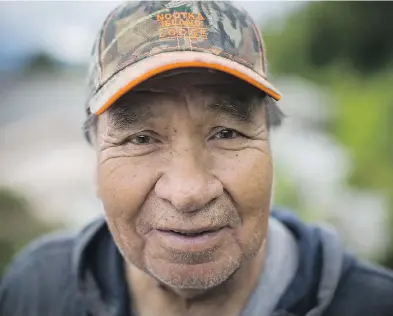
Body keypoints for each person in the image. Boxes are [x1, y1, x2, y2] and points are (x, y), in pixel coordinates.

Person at [1, 1, 393, 316]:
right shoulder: (36, 288)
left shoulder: (372, 304)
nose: (188, 191)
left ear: (271, 145)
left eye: (226, 133)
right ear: (95, 157)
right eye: (140, 138)